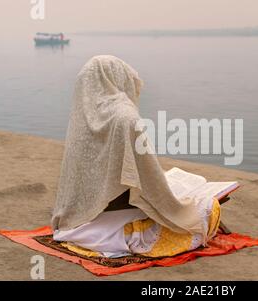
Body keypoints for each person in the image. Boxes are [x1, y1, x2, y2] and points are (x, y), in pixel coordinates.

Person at [51, 55, 221, 258]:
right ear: (119, 80)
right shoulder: (126, 118)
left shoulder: (82, 117)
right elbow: (150, 183)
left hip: (75, 222)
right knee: (208, 206)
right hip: (115, 222)